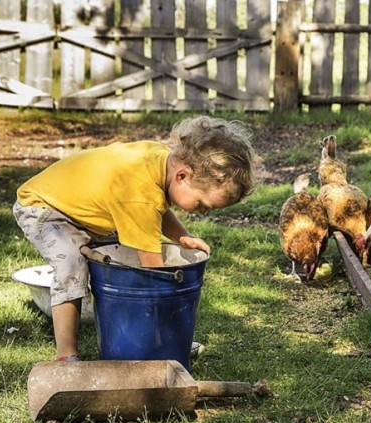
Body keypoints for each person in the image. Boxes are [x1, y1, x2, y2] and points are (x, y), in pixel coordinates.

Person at [14, 116, 260, 361]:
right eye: (201, 204)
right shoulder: (139, 193)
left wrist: (182, 236)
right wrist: (168, 332)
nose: (202, 212)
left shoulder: (165, 161)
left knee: (116, 255)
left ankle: (150, 339)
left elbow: (155, 209)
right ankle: (66, 353)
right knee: (71, 264)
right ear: (182, 176)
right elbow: (153, 273)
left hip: (83, 209)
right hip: (44, 208)